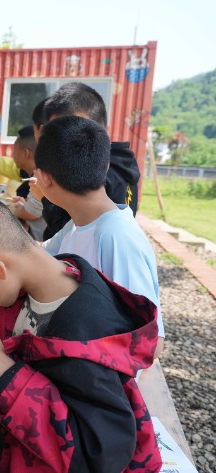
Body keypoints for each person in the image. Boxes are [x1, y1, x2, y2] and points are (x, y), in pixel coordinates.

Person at [0, 191, 161, 472]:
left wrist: (6, 372)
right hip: (13, 449)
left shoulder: (86, 336)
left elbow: (98, 456)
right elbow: (8, 294)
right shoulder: (39, 279)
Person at [35, 115, 165, 358]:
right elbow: (39, 252)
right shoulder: (78, 223)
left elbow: (151, 342)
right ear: (105, 165)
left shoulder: (116, 236)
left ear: (43, 178)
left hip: (97, 377)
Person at [33, 83, 140, 240]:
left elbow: (74, 233)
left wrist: (44, 196)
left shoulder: (99, 174)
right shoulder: (118, 162)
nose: (59, 142)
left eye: (69, 132)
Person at [7, 126, 46, 240]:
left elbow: (31, 212)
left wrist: (18, 210)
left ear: (25, 153)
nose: (12, 154)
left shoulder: (41, 175)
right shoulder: (36, 174)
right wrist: (25, 204)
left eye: (14, 149)